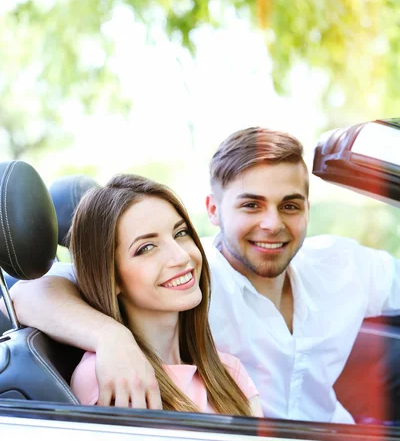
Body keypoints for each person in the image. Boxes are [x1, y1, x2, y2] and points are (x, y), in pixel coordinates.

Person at [10, 127, 400, 422]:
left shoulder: (343, 265)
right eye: (251, 205)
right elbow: (28, 294)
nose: (272, 224)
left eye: (290, 206)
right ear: (213, 210)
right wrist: (111, 336)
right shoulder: (184, 285)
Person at [58, 173, 261, 416]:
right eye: (146, 248)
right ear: (109, 278)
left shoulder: (229, 371)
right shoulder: (108, 375)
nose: (181, 257)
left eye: (181, 233)